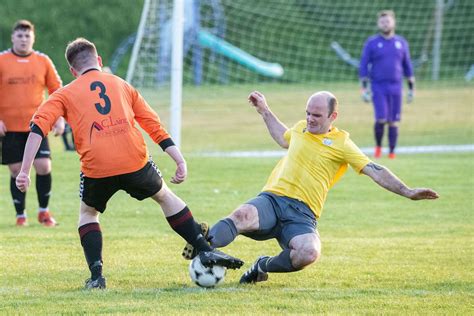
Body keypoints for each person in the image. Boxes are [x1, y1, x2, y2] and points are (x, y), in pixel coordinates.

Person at [15, 38, 243, 289]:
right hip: (134, 160)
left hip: (97, 166)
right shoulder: (122, 84)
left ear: (72, 70)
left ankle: (96, 275)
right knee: (165, 196)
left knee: (89, 213)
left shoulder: (64, 93)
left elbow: (37, 128)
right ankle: (203, 248)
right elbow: (152, 124)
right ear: (99, 61)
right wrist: (178, 159)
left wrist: (25, 171)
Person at [182, 90, 439, 284]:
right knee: (241, 215)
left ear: (332, 116)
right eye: (307, 113)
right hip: (273, 199)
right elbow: (284, 138)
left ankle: (262, 267)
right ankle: (204, 247)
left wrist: (407, 191)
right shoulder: (301, 128)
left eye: (316, 115)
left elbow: (375, 170)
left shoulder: (342, 144)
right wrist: (264, 111)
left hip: (303, 214)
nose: (310, 119)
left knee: (308, 253)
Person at [0, 19, 64, 226]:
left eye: (27, 35)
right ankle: (21, 215)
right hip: (9, 128)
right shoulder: (2, 60)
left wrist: (59, 117)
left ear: (33, 38)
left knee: (44, 166)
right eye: (20, 35)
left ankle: (44, 212)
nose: (23, 39)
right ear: (13, 38)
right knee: (16, 170)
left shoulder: (43, 61)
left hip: (37, 126)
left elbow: (57, 90)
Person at [359, 10, 415, 159]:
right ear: (379, 24)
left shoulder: (401, 43)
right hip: (378, 86)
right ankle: (378, 148)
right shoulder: (372, 43)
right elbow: (364, 64)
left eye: (388, 21)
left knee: (393, 121)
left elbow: (407, 65)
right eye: (382, 22)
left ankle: (391, 152)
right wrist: (363, 88)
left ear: (393, 22)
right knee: (381, 118)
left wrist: (411, 88)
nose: (385, 24)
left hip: (396, 86)